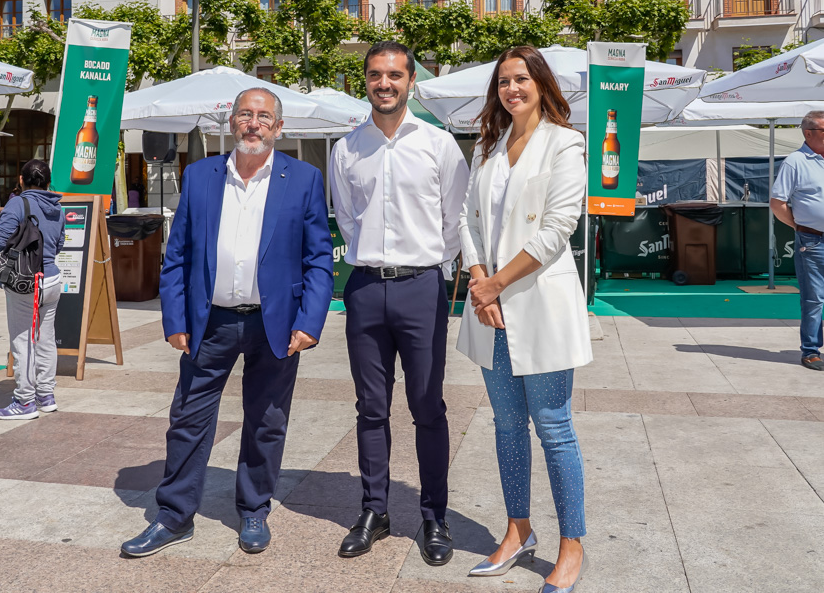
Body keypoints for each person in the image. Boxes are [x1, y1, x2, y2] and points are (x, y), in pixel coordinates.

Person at [121, 87, 334, 559]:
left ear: (278, 127)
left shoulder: (303, 178)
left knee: (267, 421)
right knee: (188, 420)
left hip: (274, 324)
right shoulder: (199, 177)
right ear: (231, 122)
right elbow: (175, 256)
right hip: (209, 323)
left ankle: (255, 508)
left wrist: (310, 321)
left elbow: (319, 259)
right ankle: (174, 516)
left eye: (264, 117)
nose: (253, 124)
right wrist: (175, 317)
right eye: (245, 115)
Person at [456, 46, 592, 592]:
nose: (512, 89)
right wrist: (480, 283)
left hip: (540, 306)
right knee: (508, 427)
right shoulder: (487, 147)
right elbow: (466, 219)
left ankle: (572, 545)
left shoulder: (567, 143)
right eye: (504, 81)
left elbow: (558, 228)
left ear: (541, 83)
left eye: (521, 79)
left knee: (554, 430)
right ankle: (518, 532)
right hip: (490, 312)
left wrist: (497, 282)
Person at [329, 41, 469, 566]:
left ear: (411, 81)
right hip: (364, 289)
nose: (383, 83)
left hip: (421, 288)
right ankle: (375, 510)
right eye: (374, 75)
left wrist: (428, 264)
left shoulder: (438, 145)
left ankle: (434, 515)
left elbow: (455, 219)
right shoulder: (347, 149)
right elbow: (346, 217)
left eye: (394, 75)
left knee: (427, 406)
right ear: (364, 80)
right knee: (370, 407)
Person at [0, 159, 67, 420]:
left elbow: (0, 241)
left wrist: (0, 271)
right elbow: (59, 244)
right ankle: (46, 395)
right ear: (48, 182)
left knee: (23, 340)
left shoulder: (17, 203)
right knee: (45, 339)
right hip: (52, 279)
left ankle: (25, 401)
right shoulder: (57, 206)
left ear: (21, 181)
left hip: (25, 281)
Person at [771, 110, 824, 371]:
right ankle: (811, 351)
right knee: (814, 299)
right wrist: (800, 226)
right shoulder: (795, 161)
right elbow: (777, 203)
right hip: (812, 241)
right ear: (808, 133)